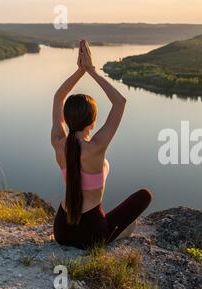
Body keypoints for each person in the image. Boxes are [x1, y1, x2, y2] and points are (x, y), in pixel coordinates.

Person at [51, 40, 152, 249]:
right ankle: (115, 235)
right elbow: (120, 102)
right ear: (93, 122)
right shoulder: (97, 146)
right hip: (91, 235)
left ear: (67, 119)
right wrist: (91, 71)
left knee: (124, 219)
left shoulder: (58, 142)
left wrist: (79, 71)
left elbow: (58, 97)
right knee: (144, 196)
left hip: (61, 230)